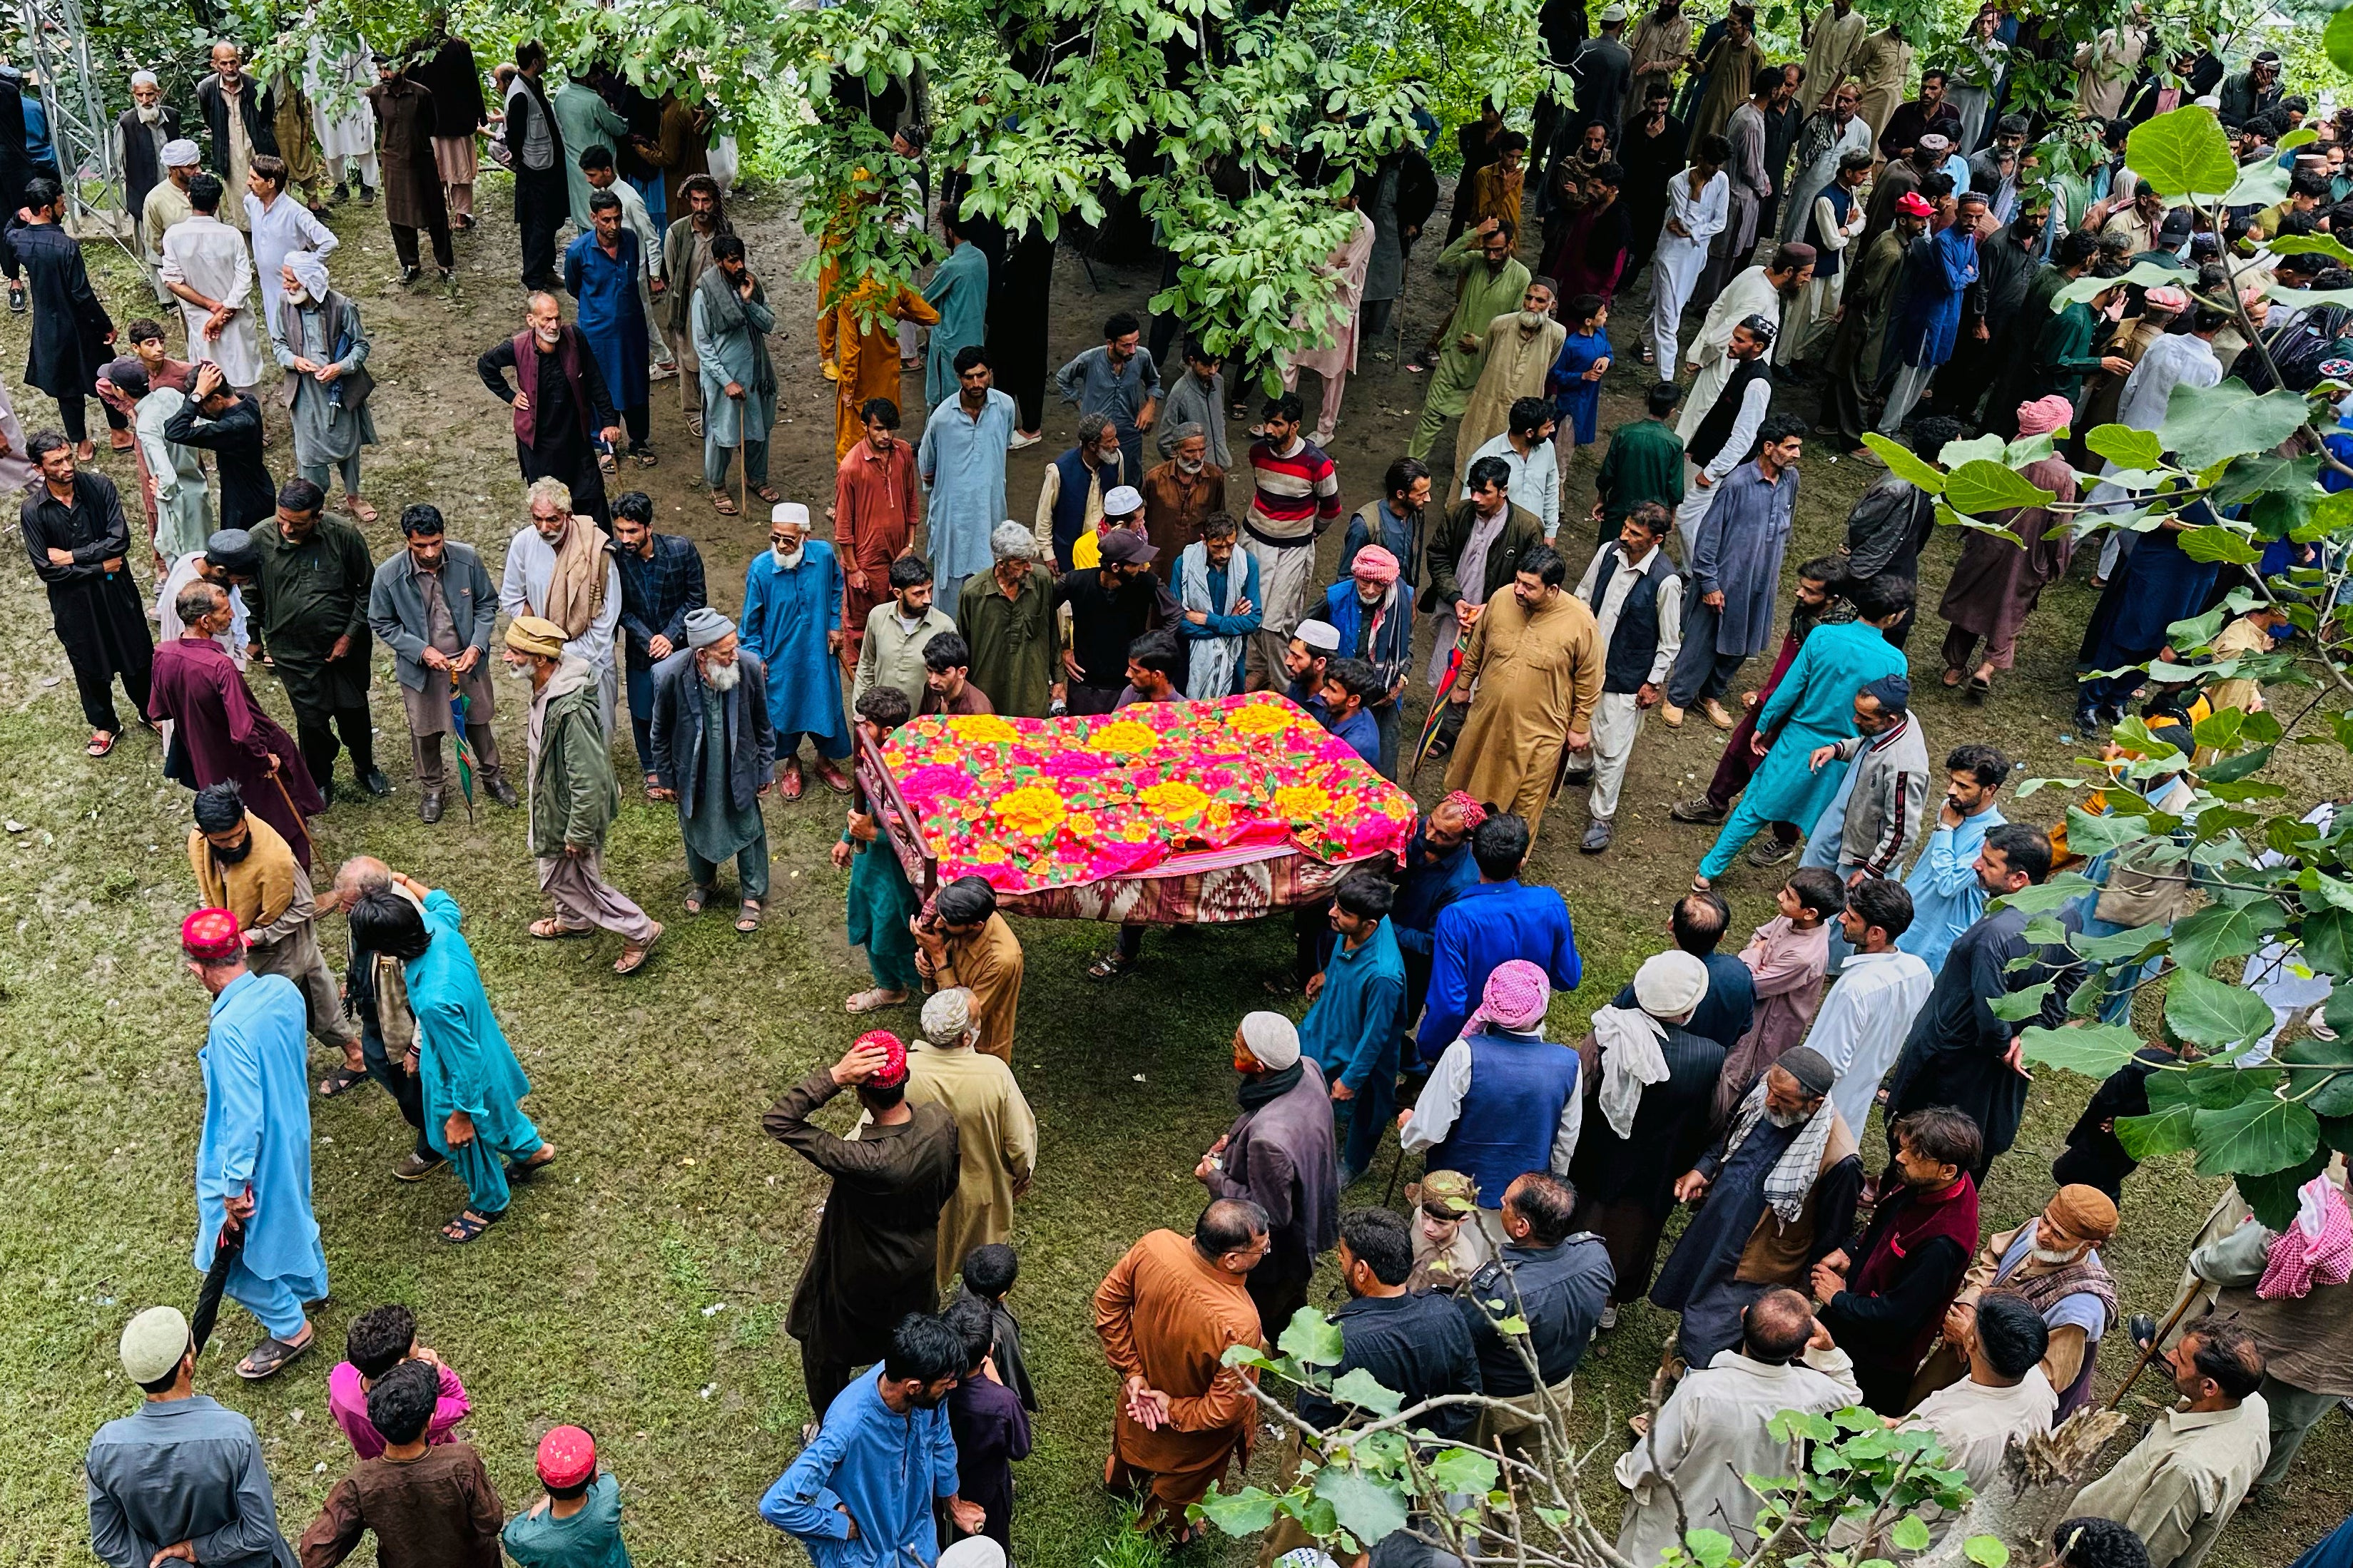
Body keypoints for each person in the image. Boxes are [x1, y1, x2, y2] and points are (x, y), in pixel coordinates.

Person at [765, 1036, 960, 1421]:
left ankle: (831, 1425)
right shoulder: (940, 1121)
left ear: (860, 1093)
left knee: (823, 1353)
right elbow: (949, 1182)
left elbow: (780, 1120)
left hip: (859, 1279)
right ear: (904, 1077)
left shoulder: (864, 1159)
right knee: (911, 1339)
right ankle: (906, 1405)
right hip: (918, 1264)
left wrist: (836, 1076)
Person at [178, 907, 327, 1378]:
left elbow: (243, 1117)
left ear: (197, 969)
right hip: (292, 1133)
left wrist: (233, 1186)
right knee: (292, 1209)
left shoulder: (228, 1029)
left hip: (251, 1158)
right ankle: (312, 1284)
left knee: (223, 1258)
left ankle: (290, 1327)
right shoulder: (283, 991)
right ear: (242, 947)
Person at [1883, 825, 2080, 1178]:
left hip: (1952, 1059)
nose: (1976, 865)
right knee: (1973, 1143)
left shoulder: (1995, 935)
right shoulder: (2067, 911)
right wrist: (2032, 1034)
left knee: (1923, 1141)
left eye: (1989, 863)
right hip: (2001, 1064)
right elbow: (2076, 971)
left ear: (2019, 878)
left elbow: (1990, 1007)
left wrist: (2004, 1043)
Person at [1614, 1286, 1863, 1564]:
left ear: (1743, 1316)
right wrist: (1827, 1350)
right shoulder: (1807, 1393)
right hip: (1736, 1534)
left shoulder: (1700, 1392)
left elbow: (1649, 1465)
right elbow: (1849, 1391)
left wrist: (1628, 1470)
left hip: (1668, 1530)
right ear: (1802, 1349)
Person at [1693, 575, 1909, 891]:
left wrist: (1763, 726)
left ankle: (1707, 872)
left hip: (1796, 743)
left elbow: (1788, 690)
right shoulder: (1895, 661)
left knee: (1753, 809)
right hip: (1846, 757)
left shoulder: (1822, 637)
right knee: (1828, 831)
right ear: (1893, 617)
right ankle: (1811, 892)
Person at [1651, 1047, 1861, 1365]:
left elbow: (1832, 1231)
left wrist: (1802, 1285)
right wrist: (1704, 1170)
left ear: (1814, 1104)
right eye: (1771, 1091)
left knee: (1717, 1326)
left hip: (1763, 1255)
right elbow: (1728, 1135)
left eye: (1783, 1100)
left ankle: (1699, 1380)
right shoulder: (1767, 1086)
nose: (1769, 1102)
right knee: (1695, 1290)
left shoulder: (1841, 1160)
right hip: (1718, 1222)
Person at [1094, 1202, 1270, 1534]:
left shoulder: (1155, 1244)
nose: (1265, 1253)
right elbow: (1224, 1409)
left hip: (1137, 1401)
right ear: (1231, 1260)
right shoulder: (1241, 1324)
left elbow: (1108, 1303)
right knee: (1179, 1492)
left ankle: (1119, 1483)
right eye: (1263, 1249)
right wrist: (1168, 1407)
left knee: (1131, 1448)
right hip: (1191, 1437)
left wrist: (1133, 1374)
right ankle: (1160, 1533)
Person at [757, 1313, 982, 1567]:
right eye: (946, 1383)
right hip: (867, 1554)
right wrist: (839, 1525)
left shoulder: (929, 1396)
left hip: (917, 1542)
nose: (952, 1387)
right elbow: (777, 1505)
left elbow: (941, 1443)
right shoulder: (847, 1426)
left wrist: (954, 1505)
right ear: (914, 1387)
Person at [502, 615, 661, 974]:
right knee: (555, 866)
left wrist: (579, 832)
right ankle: (573, 920)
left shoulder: (568, 710)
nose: (506, 658)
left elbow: (587, 777)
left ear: (541, 659)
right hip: (552, 804)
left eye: (514, 652)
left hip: (572, 812)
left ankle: (639, 929)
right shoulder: (546, 686)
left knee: (573, 879)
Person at [1571, 950, 1724, 1323]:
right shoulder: (1710, 1057)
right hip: (1657, 1166)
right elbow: (1715, 1119)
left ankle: (1573, 1292)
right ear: (1688, 1011)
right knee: (1633, 1233)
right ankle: (1610, 1302)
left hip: (1594, 1153)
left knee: (1581, 1220)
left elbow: (1577, 1091)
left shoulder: (1606, 1034)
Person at [88, 1303, 298, 1567]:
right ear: (188, 1363)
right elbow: (259, 1530)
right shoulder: (234, 1435)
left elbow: (107, 1540)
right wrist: (196, 1549)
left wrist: (168, 1563)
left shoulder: (105, 1447)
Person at [2183, 1173, 2353, 1495]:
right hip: (2331, 1365)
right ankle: (2254, 1485)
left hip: (2260, 1342)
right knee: (2288, 1422)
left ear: (2345, 1159)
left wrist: (2202, 1261)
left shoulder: (2310, 1211)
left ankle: (2204, 1470)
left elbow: (2229, 1263)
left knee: (2222, 1402)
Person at [188, 781, 365, 1089]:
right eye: (222, 840)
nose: (231, 845)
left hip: (286, 949)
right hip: (241, 949)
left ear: (244, 815)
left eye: (237, 835)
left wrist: (256, 936)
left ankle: (357, 1057)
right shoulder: (201, 844)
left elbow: (304, 906)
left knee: (315, 1005)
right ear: (204, 833)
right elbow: (212, 886)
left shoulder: (276, 857)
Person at [1811, 1106, 1982, 1412]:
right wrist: (1851, 1251)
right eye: (1905, 1148)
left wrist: (1837, 1298)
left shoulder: (1943, 1243)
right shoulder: (1921, 1179)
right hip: (1852, 1318)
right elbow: (1886, 1223)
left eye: (1916, 1155)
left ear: (1948, 1170)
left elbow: (1897, 1316)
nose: (1901, 1157)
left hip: (1872, 1361)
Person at [150, 573, 323, 867]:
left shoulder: (164, 654)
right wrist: (265, 759)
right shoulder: (220, 666)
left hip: (206, 760)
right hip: (245, 762)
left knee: (234, 826)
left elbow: (159, 710)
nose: (231, 614)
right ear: (205, 621)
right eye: (225, 610)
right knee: (286, 822)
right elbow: (243, 733)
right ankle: (298, 895)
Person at [2073, 1323, 2270, 1568]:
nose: (2169, 1357)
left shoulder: (2185, 1472)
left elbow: (2143, 1552)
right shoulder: (2254, 1405)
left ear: (2209, 1387)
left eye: (2182, 1359)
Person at [1402, 959, 1581, 1224]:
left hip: (1453, 1200)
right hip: (1521, 1207)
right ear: (1541, 1011)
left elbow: (1430, 1130)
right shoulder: (1569, 1065)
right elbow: (1564, 1144)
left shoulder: (1463, 1054)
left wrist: (1409, 1132)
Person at [1442, 544, 1600, 840]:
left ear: (1552, 589)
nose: (1519, 590)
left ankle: (1508, 861)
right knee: (1467, 778)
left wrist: (1580, 727)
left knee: (1523, 804)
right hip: (1486, 717)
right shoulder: (1502, 598)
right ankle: (1457, 839)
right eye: (1518, 580)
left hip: (1539, 733)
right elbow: (1478, 646)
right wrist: (1463, 685)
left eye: (1529, 586)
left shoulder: (1581, 623)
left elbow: (1590, 680)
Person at [1196, 1012, 1341, 1333]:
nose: (1234, 1045)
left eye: (1240, 1046)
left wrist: (1214, 1177)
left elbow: (1270, 1215)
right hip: (1313, 1206)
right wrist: (1235, 1142)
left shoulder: (1267, 1140)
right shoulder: (1309, 1068)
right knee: (1291, 1298)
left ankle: (1270, 1349)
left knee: (1265, 1308)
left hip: (1279, 1253)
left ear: (1260, 1067)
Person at [1921, 1185, 2119, 1417]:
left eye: (2059, 1235)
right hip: (1963, 1358)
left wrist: (1971, 1336)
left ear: (2089, 1245)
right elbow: (1995, 1260)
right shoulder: (2037, 1229)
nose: (2043, 1234)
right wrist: (1972, 1302)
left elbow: (2043, 1382)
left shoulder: (2079, 1309)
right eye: (2046, 1220)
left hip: (1997, 1404)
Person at [1664, 365, 1789, 728]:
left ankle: (1711, 695)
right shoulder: (1736, 483)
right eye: (1791, 447)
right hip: (1723, 578)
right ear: (1769, 447)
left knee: (1740, 643)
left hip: (1759, 579)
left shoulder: (1789, 481)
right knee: (1703, 640)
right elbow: (1709, 536)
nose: (1797, 454)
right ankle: (1679, 696)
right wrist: (1710, 582)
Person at [244, 479, 385, 800]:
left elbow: (367, 589)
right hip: (293, 653)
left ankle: (366, 767)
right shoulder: (260, 539)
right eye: (282, 521)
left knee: (355, 713)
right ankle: (319, 778)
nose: (287, 530)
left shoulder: (343, 535)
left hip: (346, 651)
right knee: (311, 721)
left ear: (317, 517)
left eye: (297, 524)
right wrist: (253, 635)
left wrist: (349, 635)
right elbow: (249, 592)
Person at [1293, 1207, 1482, 1440]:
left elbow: (1315, 1429)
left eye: (1342, 1256)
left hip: (1352, 1460)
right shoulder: (1447, 1313)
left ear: (1361, 1270)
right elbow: (1467, 1398)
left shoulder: (1332, 1343)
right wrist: (1423, 1447)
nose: (1340, 1261)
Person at [22, 432, 152, 759]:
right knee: (87, 662)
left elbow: (119, 541)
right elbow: (46, 569)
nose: (67, 466)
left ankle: (151, 711)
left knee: (136, 653)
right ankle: (105, 723)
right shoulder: (33, 511)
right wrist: (98, 566)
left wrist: (71, 556)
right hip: (75, 603)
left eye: (68, 457)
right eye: (57, 463)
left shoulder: (100, 487)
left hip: (116, 591)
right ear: (40, 469)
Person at [900, 988, 1037, 1293]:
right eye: (977, 1019)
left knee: (927, 1268)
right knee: (982, 1267)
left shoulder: (905, 1072)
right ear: (965, 1038)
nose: (980, 1023)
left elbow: (868, 1135)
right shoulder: (994, 1074)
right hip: (982, 1196)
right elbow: (1019, 1144)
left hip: (924, 1195)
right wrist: (1022, 1174)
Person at [1415, 814, 1583, 1062]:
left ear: (1473, 853)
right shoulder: (1549, 903)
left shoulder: (1457, 918)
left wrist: (1429, 1049)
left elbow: (1450, 1004)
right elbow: (1568, 977)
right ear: (1522, 862)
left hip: (1468, 1043)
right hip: (1524, 1036)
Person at [1562, 503, 1679, 852]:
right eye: (1626, 528)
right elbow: (1583, 596)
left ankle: (1602, 815)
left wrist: (1653, 682)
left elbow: (1670, 641)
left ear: (1657, 539)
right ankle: (1580, 767)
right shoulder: (1608, 552)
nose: (1624, 536)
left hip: (1627, 677)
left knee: (1612, 750)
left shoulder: (1667, 581)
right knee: (1580, 721)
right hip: (1588, 665)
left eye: (1635, 534)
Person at [647, 608, 775, 928]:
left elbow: (763, 722)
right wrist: (666, 777)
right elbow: (660, 731)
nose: (735, 654)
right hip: (693, 769)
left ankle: (752, 894)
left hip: (739, 766)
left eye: (735, 646)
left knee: (747, 826)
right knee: (696, 822)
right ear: (702, 655)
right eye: (726, 651)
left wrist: (765, 769)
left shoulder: (747, 666)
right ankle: (705, 883)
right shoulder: (668, 675)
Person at [1900, 1292, 2058, 1539]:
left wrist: (1889, 1431)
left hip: (1907, 1529)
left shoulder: (1952, 1430)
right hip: (1961, 1523)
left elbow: (1889, 1463)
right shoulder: (2038, 1384)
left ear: (1971, 1342)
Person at [1297, 875, 1406, 1186]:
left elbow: (1375, 1037)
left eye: (1343, 913)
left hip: (1361, 1048)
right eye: (1336, 904)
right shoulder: (1354, 926)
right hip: (1329, 1022)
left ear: (1370, 925)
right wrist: (1328, 974)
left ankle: (1356, 1164)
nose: (1332, 913)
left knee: (1369, 1109)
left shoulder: (1384, 976)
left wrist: (1351, 1079)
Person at [733, 501, 848, 797]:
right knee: (784, 714)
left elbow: (837, 585)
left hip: (819, 656)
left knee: (826, 706)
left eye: (790, 539)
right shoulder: (761, 569)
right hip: (781, 659)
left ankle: (824, 762)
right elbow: (750, 622)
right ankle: (792, 765)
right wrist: (757, 656)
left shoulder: (823, 555)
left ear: (805, 537)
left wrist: (834, 624)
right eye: (776, 537)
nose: (782, 545)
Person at [479, 292, 621, 526]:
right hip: (540, 446)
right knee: (550, 507)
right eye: (546, 320)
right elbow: (486, 365)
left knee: (592, 500)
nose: (553, 326)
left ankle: (602, 553)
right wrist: (510, 396)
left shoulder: (574, 338)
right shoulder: (517, 347)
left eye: (557, 318)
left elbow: (595, 380)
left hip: (576, 439)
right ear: (531, 320)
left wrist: (608, 421)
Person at [1712, 867, 1841, 1124]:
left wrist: (1752, 955)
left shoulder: (1805, 957)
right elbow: (1761, 934)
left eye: (1789, 896)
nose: (1779, 897)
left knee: (1736, 1079)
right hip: (1756, 1011)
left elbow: (1751, 984)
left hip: (1767, 1029)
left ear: (1810, 913)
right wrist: (1758, 950)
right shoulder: (1795, 917)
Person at [1809, 878, 1933, 1139]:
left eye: (1852, 918)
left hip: (1818, 1107)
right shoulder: (1918, 972)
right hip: (1859, 1098)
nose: (1841, 918)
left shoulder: (1854, 989)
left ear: (1876, 933)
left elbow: (1827, 1064)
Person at [1799, 677, 1931, 920]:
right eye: (1857, 712)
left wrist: (1871, 871)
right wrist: (1838, 749)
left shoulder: (1905, 768)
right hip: (1841, 826)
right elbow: (1868, 742)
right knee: (1806, 888)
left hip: (1863, 856)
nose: (1855, 720)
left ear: (1890, 720)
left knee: (1840, 919)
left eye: (1864, 718)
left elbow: (1903, 831)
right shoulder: (1896, 721)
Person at [10, 180, 121, 459]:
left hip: (48, 325)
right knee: (104, 376)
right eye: (61, 205)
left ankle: (81, 445)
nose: (64, 210)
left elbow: (8, 231)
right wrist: (105, 325)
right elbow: (82, 294)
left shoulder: (19, 241)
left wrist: (16, 216)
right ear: (47, 209)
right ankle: (119, 433)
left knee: (66, 387)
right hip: (80, 325)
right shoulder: (66, 246)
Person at [834, 683, 926, 1013]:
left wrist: (872, 834)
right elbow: (865, 808)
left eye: (866, 725)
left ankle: (921, 988)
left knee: (893, 932)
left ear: (887, 732)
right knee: (867, 922)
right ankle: (889, 987)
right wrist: (849, 838)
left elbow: (919, 837)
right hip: (868, 866)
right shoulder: (868, 756)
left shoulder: (910, 772)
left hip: (895, 876)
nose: (859, 731)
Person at [604, 492, 707, 786]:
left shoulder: (681, 550)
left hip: (680, 647)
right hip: (641, 648)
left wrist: (670, 636)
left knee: (684, 707)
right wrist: (649, 638)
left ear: (648, 528)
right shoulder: (614, 559)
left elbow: (696, 598)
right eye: (620, 530)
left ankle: (684, 760)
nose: (625, 538)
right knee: (641, 709)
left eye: (632, 531)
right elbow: (617, 607)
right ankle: (651, 765)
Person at [1408, 217, 1532, 461]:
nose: (1492, 256)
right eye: (1488, 250)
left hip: (1484, 363)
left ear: (1510, 246)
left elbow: (1515, 329)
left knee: (1476, 422)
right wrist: (1473, 233)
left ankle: (1470, 475)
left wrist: (1480, 342)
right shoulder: (1475, 262)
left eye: (1498, 250)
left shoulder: (1521, 277)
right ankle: (1412, 467)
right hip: (1452, 354)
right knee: (1432, 413)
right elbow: (1443, 263)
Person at [1241, 395, 1343, 686]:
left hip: (1292, 550)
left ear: (1295, 426)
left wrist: (1314, 532)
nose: (1269, 430)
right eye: (1267, 423)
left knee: (1275, 624)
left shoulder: (1318, 464)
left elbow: (1332, 508)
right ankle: (1257, 669)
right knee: (1247, 613)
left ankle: (1287, 687)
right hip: (1253, 539)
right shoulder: (1258, 453)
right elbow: (1262, 489)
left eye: (1277, 424)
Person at [268, 253, 376, 522]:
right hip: (305, 391)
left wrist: (340, 368)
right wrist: (294, 361)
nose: (285, 286)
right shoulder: (284, 304)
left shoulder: (342, 306)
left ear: (307, 281)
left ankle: (354, 496)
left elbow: (361, 346)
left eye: (291, 280)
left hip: (339, 389)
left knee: (347, 444)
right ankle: (315, 504)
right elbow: (278, 344)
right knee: (309, 451)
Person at [683, 231, 776, 511]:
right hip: (724, 379)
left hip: (756, 375)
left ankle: (756, 478)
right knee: (722, 434)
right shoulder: (705, 294)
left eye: (741, 260)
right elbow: (703, 345)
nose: (739, 266)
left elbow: (769, 324)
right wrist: (726, 381)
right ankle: (717, 486)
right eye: (733, 261)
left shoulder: (751, 284)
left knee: (759, 430)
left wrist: (749, 304)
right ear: (719, 261)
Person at [1898, 743, 2010, 972]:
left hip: (1940, 932)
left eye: (1963, 786)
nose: (1951, 790)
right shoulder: (1949, 808)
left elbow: (1948, 885)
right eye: (1951, 781)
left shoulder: (1995, 835)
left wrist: (1945, 831)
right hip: (1910, 912)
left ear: (1990, 789)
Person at [918, 348, 1016, 609]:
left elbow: (1002, 446)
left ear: (991, 374)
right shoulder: (942, 417)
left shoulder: (1005, 406)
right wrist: (945, 493)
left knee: (990, 570)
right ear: (958, 378)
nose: (976, 384)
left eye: (982, 375)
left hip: (990, 506)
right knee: (951, 577)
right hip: (953, 513)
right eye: (969, 377)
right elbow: (927, 463)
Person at [564, 191, 655, 467]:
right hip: (598, 334)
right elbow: (573, 286)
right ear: (593, 218)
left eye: (617, 218)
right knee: (600, 388)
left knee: (636, 384)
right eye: (606, 220)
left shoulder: (630, 240)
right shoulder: (578, 252)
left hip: (632, 329)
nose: (613, 226)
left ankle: (639, 440)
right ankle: (605, 446)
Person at [1280, 195, 1376, 445]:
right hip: (1312, 295)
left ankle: (1325, 429)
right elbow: (1305, 254)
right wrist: (1328, 266)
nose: (1334, 197)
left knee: (1333, 371)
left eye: (1341, 194)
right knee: (1288, 353)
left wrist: (1322, 265)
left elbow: (1342, 276)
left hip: (1341, 305)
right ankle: (1282, 417)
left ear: (1355, 199)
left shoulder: (1365, 228)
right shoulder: (1323, 214)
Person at [940, 1295, 1032, 1552]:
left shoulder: (931, 1386)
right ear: (989, 1351)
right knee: (989, 1546)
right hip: (984, 1490)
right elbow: (1020, 1447)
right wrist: (998, 1386)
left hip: (939, 1487)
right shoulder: (1001, 1403)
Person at [1453, 280, 1566, 488]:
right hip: (1488, 402)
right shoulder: (1500, 324)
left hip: (1524, 412)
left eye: (1540, 300)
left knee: (1511, 460)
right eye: (1528, 298)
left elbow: (1549, 364)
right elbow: (1485, 357)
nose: (1531, 305)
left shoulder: (1557, 334)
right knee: (1473, 451)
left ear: (1552, 305)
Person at [835, 397, 922, 664]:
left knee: (899, 611)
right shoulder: (850, 468)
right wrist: (853, 568)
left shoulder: (904, 452)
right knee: (861, 623)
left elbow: (910, 498)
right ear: (864, 427)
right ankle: (861, 674)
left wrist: (909, 544)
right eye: (879, 429)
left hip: (898, 552)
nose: (886, 436)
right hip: (866, 558)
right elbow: (843, 525)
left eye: (890, 429)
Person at [161, 175, 265, 394]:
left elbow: (172, 282)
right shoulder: (231, 235)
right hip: (233, 319)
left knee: (207, 380)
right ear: (217, 204)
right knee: (244, 380)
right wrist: (224, 309)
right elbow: (244, 282)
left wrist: (212, 308)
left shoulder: (174, 236)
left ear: (189, 198)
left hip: (202, 321)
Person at [912, 875, 1025, 1065]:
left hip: (980, 1041)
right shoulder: (967, 915)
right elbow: (948, 951)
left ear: (976, 925)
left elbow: (966, 1016)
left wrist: (939, 959)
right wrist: (930, 961)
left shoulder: (1002, 960)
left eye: (947, 922)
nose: (940, 924)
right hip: (958, 1009)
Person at [958, 522, 1062, 718]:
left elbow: (1051, 633)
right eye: (1021, 564)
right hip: (987, 694)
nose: (1029, 568)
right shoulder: (973, 593)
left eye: (1030, 561)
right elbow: (963, 647)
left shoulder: (1041, 581)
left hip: (1031, 693)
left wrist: (1058, 681)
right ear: (1001, 563)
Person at [1646, 138, 1729, 377]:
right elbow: (1685, 221)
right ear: (1700, 159)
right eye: (1713, 164)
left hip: (1696, 255)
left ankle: (1642, 340)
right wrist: (1697, 192)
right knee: (1670, 317)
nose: (1716, 170)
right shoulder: (1678, 183)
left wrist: (1693, 231)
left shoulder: (1722, 181)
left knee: (1673, 305)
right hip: (1671, 255)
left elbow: (1720, 222)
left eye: (1720, 165)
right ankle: (1666, 378)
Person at [658, 175, 728, 436]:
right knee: (690, 361)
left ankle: (716, 409)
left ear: (714, 202)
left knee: (719, 356)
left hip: (718, 306)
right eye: (696, 201)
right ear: (689, 202)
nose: (701, 207)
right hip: (687, 307)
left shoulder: (724, 229)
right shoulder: (676, 233)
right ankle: (693, 413)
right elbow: (673, 273)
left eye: (706, 201)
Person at [501, 1427, 631, 1568]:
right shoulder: (609, 1493)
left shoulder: (526, 1539)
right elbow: (603, 1482)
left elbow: (511, 1537)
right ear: (595, 1474)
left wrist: (540, 1507)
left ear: (539, 1473)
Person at [1055, 311, 1161, 481]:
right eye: (1126, 345)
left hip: (1129, 432)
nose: (1133, 350)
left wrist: (1150, 406)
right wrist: (1082, 407)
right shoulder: (1090, 359)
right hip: (1096, 436)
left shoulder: (1142, 357)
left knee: (1130, 480)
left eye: (1136, 343)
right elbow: (1063, 378)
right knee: (1092, 479)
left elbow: (1154, 382)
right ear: (1110, 343)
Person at [244, 156, 336, 332]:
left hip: (291, 287)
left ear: (271, 182)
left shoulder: (296, 212)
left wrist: (309, 266)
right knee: (276, 329)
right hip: (267, 283)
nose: (248, 182)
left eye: (254, 178)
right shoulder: (251, 202)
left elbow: (329, 241)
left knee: (299, 331)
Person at [853, 556, 956, 713]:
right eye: (918, 594)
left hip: (923, 727)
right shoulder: (877, 616)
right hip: (882, 720)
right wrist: (861, 714)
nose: (928, 599)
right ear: (898, 593)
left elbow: (953, 684)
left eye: (929, 590)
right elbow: (866, 666)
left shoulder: (944, 627)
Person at [1460, 394, 1562, 543]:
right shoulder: (1485, 457)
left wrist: (1550, 532)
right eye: (1547, 427)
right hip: (1497, 541)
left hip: (1533, 537)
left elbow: (1551, 489)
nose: (1552, 430)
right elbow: (1469, 506)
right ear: (1529, 432)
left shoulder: (1547, 448)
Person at [1139, 424, 1226, 579]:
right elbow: (1141, 521)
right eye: (1190, 451)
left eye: (1202, 450)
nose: (1198, 457)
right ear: (1175, 451)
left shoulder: (1215, 477)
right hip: (1161, 557)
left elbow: (1219, 518)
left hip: (1198, 557)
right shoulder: (1155, 478)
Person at [138, 141, 203, 305]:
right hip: (183, 270)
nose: (198, 171)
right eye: (192, 167)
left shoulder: (208, 184)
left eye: (198, 165)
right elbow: (155, 239)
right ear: (174, 169)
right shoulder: (156, 199)